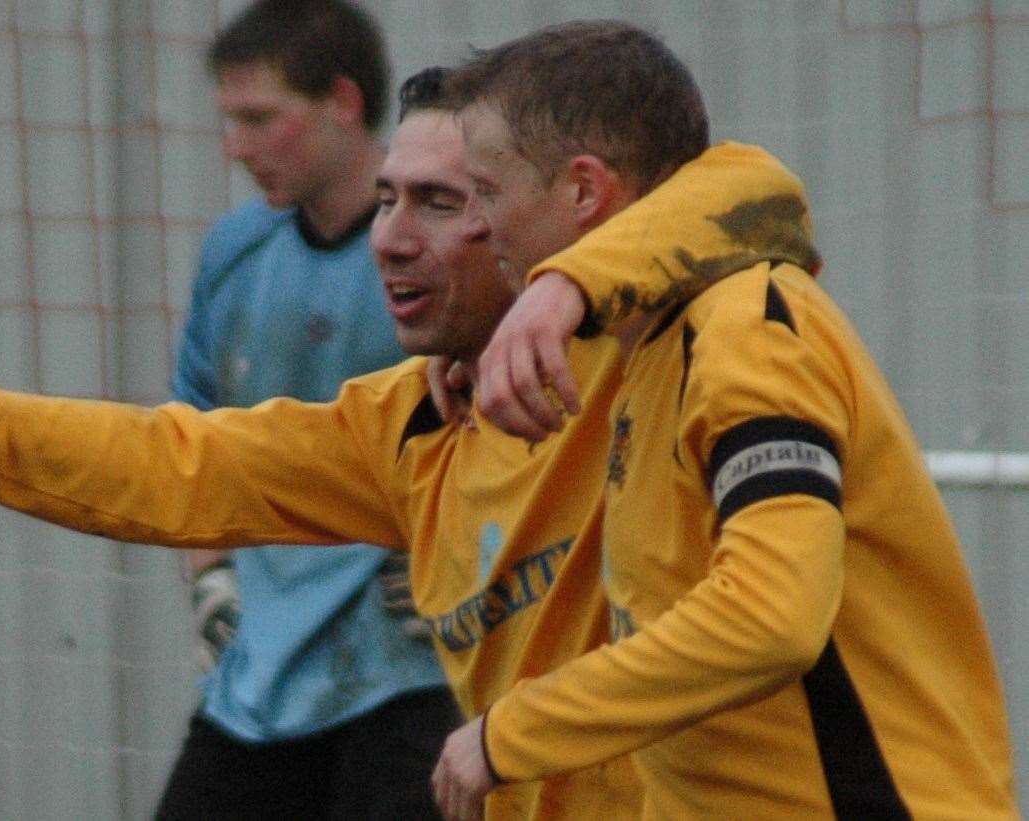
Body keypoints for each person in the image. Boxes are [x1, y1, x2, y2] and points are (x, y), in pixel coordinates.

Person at [0, 72, 813, 821]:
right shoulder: (407, 422)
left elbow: (741, 184)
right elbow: (182, 462)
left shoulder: (681, 343)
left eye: (446, 203)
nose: (390, 236)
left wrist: (570, 287)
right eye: (386, 199)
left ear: (546, 211)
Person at [425, 21, 1019, 819]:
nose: (473, 227)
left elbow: (769, 618)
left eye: (487, 193)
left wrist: (513, 730)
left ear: (582, 190)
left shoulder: (744, 329)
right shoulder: (647, 347)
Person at [158, 2, 458, 818]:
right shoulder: (234, 254)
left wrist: (464, 554)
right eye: (230, 121)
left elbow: (515, 430)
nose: (237, 147)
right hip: (259, 676)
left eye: (260, 119)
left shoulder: (445, 254)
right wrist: (211, 579)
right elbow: (193, 439)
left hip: (410, 672)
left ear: (344, 101)